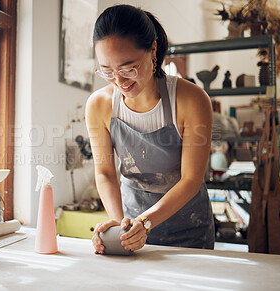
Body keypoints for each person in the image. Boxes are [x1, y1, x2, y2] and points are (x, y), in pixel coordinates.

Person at [85, 4, 214, 254]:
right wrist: (118, 222)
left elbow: (191, 179)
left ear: (152, 50)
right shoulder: (99, 105)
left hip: (189, 229)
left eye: (128, 68)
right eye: (107, 71)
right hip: (131, 231)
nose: (119, 82)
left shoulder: (191, 100)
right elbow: (104, 172)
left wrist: (146, 222)